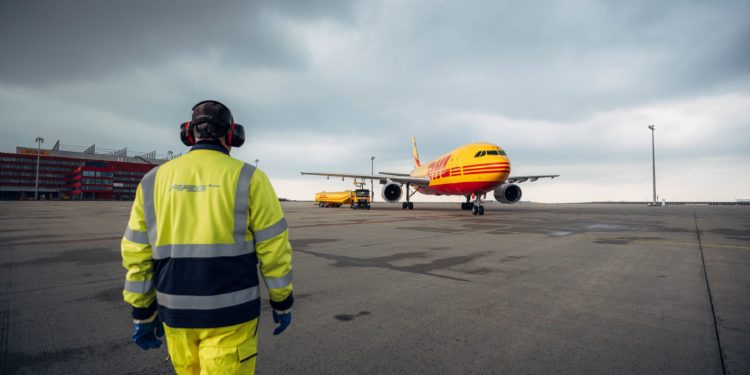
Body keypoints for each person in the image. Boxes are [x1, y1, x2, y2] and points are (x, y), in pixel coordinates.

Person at [121, 100, 294, 374]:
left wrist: (142, 311)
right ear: (233, 135)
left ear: (189, 133)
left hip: (175, 314)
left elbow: (136, 252)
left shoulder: (153, 180)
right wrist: (282, 301)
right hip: (232, 315)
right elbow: (274, 249)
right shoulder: (250, 178)